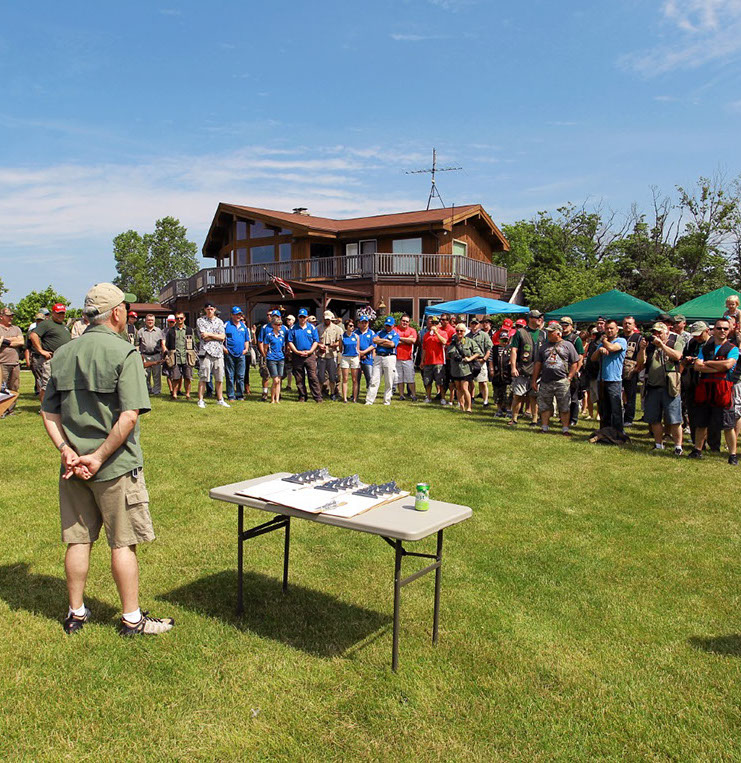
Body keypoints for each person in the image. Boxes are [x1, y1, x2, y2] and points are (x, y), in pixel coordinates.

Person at [40, 282, 174, 636]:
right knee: (123, 543)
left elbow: (48, 412)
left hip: (74, 468)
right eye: (125, 309)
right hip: (114, 466)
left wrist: (67, 451)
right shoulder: (124, 352)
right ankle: (132, 619)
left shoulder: (63, 353)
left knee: (78, 540)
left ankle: (76, 613)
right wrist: (97, 457)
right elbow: (129, 416)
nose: (128, 314)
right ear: (116, 313)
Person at [688, 317, 740, 463]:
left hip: (723, 390)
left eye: (725, 328)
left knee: (728, 425)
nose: (722, 331)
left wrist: (708, 363)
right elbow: (697, 366)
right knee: (701, 423)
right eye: (719, 328)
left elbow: (728, 365)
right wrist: (718, 366)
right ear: (713, 330)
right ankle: (697, 450)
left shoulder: (733, 349)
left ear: (729, 330)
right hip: (705, 389)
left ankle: (732, 455)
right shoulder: (705, 348)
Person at [636, 321, 684, 454]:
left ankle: (678, 447)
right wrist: (642, 349)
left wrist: (662, 345)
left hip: (670, 387)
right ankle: (658, 444)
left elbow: (677, 356)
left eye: (659, 333)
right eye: (654, 333)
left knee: (674, 419)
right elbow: (640, 363)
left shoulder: (675, 342)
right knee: (654, 419)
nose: (656, 335)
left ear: (666, 333)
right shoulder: (650, 346)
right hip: (653, 386)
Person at [531, 322, 580, 435]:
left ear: (558, 333)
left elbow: (575, 362)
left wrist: (569, 377)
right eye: (548, 332)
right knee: (544, 405)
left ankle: (565, 429)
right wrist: (534, 380)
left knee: (564, 406)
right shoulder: (544, 346)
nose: (548, 334)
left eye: (551, 332)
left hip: (562, 380)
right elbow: (538, 363)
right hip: (546, 381)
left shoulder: (568, 345)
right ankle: (544, 427)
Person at [29, 303, 71, 405]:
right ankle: (44, 408)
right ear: (53, 313)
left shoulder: (64, 326)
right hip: (51, 360)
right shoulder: (46, 324)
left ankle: (58, 407)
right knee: (46, 386)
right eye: (59, 313)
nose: (61, 315)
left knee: (62, 385)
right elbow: (33, 336)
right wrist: (41, 351)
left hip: (64, 360)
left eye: (63, 313)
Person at [508, 309, 545, 426]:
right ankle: (514, 418)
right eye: (537, 317)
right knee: (518, 395)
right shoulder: (520, 332)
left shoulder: (543, 334)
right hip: (522, 369)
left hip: (538, 371)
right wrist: (513, 367)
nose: (540, 320)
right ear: (530, 319)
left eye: (540, 318)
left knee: (534, 396)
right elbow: (514, 350)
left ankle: (534, 420)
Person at [590, 319, 627, 432]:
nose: (609, 330)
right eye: (607, 328)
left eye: (611, 328)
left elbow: (612, 348)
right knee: (603, 408)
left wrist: (604, 341)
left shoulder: (621, 341)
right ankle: (605, 431)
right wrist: (599, 350)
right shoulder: (602, 344)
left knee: (616, 409)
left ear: (617, 329)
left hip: (614, 380)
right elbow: (593, 358)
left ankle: (618, 433)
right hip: (602, 379)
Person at [196, 303, 230, 408]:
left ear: (215, 309)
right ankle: (200, 400)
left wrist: (210, 334)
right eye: (208, 309)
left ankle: (220, 399)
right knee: (204, 377)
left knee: (219, 378)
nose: (210, 311)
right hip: (206, 352)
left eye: (211, 309)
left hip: (218, 353)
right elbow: (204, 337)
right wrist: (216, 336)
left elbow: (223, 337)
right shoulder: (200, 321)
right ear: (205, 310)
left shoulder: (219, 321)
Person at [287, 308, 323, 403]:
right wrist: (296, 351)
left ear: (307, 317)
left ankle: (317, 397)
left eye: (304, 317)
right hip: (297, 355)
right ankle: (302, 396)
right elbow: (290, 341)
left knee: (313, 377)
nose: (302, 319)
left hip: (310, 356)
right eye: (301, 317)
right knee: (299, 377)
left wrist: (310, 351)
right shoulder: (293, 328)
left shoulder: (312, 328)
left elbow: (316, 341)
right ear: (298, 317)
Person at [446, 323, 481, 412]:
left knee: (465, 388)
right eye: (457, 331)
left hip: (465, 369)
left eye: (461, 331)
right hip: (455, 369)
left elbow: (478, 352)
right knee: (458, 388)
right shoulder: (453, 342)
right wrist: (454, 356)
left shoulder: (469, 341)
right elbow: (448, 354)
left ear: (464, 331)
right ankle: (461, 406)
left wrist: (470, 359)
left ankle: (469, 407)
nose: (459, 332)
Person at [365, 316, 399, 406]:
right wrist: (384, 340)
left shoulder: (395, 334)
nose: (387, 327)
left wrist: (380, 342)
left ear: (393, 325)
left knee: (389, 380)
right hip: (379, 356)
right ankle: (369, 400)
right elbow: (374, 340)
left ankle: (387, 400)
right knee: (374, 379)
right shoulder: (380, 332)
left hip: (389, 357)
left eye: (389, 326)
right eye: (386, 325)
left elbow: (392, 344)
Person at [165, 311, 196, 399]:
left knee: (188, 377)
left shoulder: (190, 330)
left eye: (181, 318)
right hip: (175, 357)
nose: (179, 320)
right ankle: (174, 394)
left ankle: (187, 394)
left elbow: (193, 343)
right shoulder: (171, 331)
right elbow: (167, 344)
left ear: (184, 318)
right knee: (175, 377)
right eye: (177, 318)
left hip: (187, 357)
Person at [559, 317, 584, 426]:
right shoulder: (558, 337)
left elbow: (580, 356)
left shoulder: (575, 339)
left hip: (572, 370)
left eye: (566, 325)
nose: (564, 327)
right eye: (562, 325)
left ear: (571, 326)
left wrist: (576, 371)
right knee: (562, 396)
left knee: (573, 397)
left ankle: (573, 418)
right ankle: (563, 417)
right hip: (560, 370)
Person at [0, 307, 24, 417]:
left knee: (14, 387)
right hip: (2, 362)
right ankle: (2, 410)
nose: (11, 318)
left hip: (15, 362)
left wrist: (5, 341)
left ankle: (10, 410)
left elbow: (21, 341)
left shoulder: (16, 329)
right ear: (1, 316)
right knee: (2, 387)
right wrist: (14, 339)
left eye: (12, 316)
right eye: (8, 316)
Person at [223, 306, 250, 402]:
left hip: (241, 354)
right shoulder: (226, 325)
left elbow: (247, 339)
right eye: (236, 314)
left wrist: (246, 349)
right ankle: (231, 395)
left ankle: (240, 395)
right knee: (230, 376)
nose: (238, 316)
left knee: (241, 376)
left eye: (240, 314)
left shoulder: (243, 326)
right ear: (232, 315)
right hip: (229, 354)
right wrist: (224, 349)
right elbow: (221, 339)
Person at [620, 316, 643, 428]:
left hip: (632, 369)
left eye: (629, 323)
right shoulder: (619, 337)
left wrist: (638, 368)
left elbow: (642, 354)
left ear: (634, 325)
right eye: (625, 323)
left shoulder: (638, 338)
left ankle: (629, 418)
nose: (627, 325)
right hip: (619, 369)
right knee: (618, 394)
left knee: (630, 395)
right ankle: (619, 416)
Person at [136, 314, 166, 396]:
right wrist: (138, 355)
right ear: (145, 321)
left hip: (156, 355)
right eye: (148, 320)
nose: (150, 322)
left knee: (157, 374)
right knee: (146, 374)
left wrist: (163, 355)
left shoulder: (159, 331)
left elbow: (163, 344)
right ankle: (147, 389)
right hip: (144, 355)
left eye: (152, 320)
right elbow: (137, 344)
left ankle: (157, 390)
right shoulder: (141, 331)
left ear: (154, 321)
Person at [317, 310, 342, 400]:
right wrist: (319, 345)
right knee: (320, 376)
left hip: (332, 354)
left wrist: (335, 345)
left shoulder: (337, 329)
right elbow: (315, 340)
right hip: (321, 355)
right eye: (325, 319)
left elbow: (340, 341)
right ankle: (319, 393)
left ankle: (332, 393)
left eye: (328, 319)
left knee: (333, 376)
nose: (327, 321)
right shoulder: (318, 328)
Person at [421, 316, 447, 403]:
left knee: (440, 381)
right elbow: (424, 349)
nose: (434, 324)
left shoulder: (443, 333)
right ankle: (428, 397)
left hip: (439, 361)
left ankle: (442, 398)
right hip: (428, 361)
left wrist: (436, 333)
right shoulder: (426, 335)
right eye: (433, 323)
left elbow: (444, 342)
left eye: (436, 323)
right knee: (427, 381)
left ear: (439, 324)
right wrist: (422, 360)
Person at [469, 317, 493, 407]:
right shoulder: (467, 336)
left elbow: (489, 348)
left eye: (476, 323)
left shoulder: (484, 335)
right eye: (472, 323)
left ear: (479, 324)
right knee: (470, 381)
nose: (474, 325)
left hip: (481, 360)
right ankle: (471, 398)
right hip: (471, 361)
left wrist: (484, 359)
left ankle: (485, 401)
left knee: (483, 382)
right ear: (470, 324)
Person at [394, 314, 418, 401]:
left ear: (409, 322)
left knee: (410, 378)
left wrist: (399, 338)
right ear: (400, 321)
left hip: (408, 358)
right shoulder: (395, 329)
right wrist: (407, 339)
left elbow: (413, 340)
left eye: (406, 321)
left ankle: (413, 395)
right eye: (403, 321)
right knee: (399, 378)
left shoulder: (412, 330)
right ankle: (401, 395)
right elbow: (393, 340)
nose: (405, 323)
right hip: (397, 357)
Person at [490, 327, 513, 416]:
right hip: (497, 373)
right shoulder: (494, 349)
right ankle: (499, 409)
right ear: (499, 340)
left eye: (506, 340)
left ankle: (509, 409)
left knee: (508, 393)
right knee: (497, 392)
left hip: (507, 374)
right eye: (503, 340)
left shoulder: (510, 349)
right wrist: (491, 369)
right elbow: (491, 359)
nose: (504, 342)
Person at [264, 317, 286, 403]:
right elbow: (265, 348)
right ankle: (272, 399)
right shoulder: (269, 335)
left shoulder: (282, 335)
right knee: (275, 380)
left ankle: (277, 399)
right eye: (278, 324)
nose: (280, 326)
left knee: (279, 380)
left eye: (281, 324)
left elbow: (282, 346)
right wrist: (267, 356)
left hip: (280, 358)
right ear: (273, 325)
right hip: (272, 359)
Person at [339, 318, 360, 402]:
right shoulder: (342, 337)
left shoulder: (356, 336)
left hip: (354, 357)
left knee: (355, 379)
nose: (352, 327)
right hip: (345, 358)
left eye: (353, 326)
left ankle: (354, 398)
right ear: (346, 327)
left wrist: (358, 359)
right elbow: (340, 348)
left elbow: (357, 349)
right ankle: (344, 398)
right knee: (345, 378)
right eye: (350, 326)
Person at [356, 315, 376, 395]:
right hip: (357, 357)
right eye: (362, 322)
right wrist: (359, 352)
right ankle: (355, 395)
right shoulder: (355, 333)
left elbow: (374, 345)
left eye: (366, 322)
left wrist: (364, 352)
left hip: (368, 358)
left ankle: (370, 395)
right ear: (359, 323)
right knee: (356, 378)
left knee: (370, 378)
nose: (364, 324)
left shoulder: (371, 333)